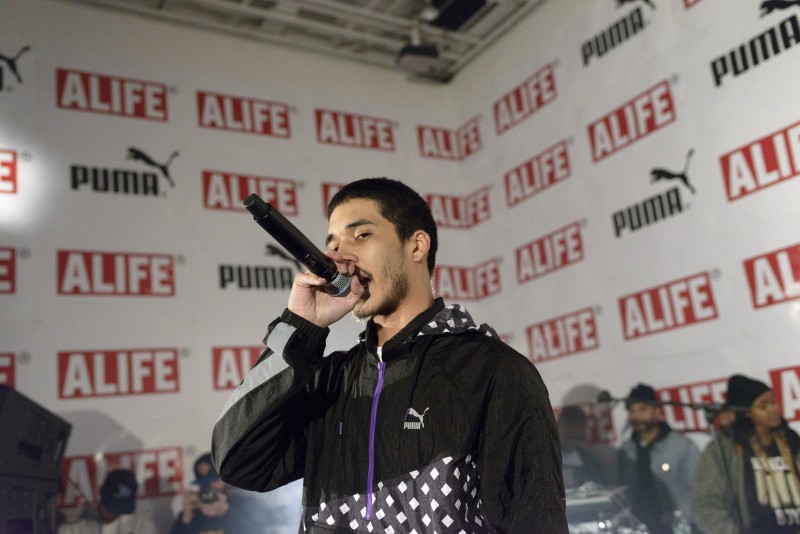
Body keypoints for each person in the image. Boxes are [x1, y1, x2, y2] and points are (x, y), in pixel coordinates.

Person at [212, 177, 567, 533]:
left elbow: (536, 517)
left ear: (417, 246)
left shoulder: (491, 369)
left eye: (361, 235)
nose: (341, 256)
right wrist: (300, 328)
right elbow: (237, 462)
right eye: (332, 244)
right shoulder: (330, 379)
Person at [692, 374, 800, 533]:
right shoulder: (726, 447)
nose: (773, 409)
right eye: (763, 406)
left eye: (773, 402)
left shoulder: (791, 438)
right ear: (746, 412)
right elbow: (705, 503)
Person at [618, 383, 700, 534]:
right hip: (639, 527)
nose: (636, 416)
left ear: (656, 410)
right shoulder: (626, 450)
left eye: (642, 409)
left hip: (677, 526)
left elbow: (699, 491)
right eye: (632, 411)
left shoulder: (682, 446)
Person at [170, 452, 267, 533]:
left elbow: (258, 529)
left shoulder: (245, 503)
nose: (210, 486)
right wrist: (186, 517)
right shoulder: (196, 511)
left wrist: (226, 511)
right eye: (204, 483)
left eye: (214, 481)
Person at [59, 468, 157, 534]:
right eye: (111, 508)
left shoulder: (144, 525)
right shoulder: (75, 528)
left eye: (120, 510)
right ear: (101, 501)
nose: (114, 514)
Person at [558, 404, 614, 489]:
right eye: (569, 437)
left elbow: (603, 488)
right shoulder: (542, 459)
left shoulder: (590, 460)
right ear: (556, 427)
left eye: (579, 438)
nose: (573, 443)